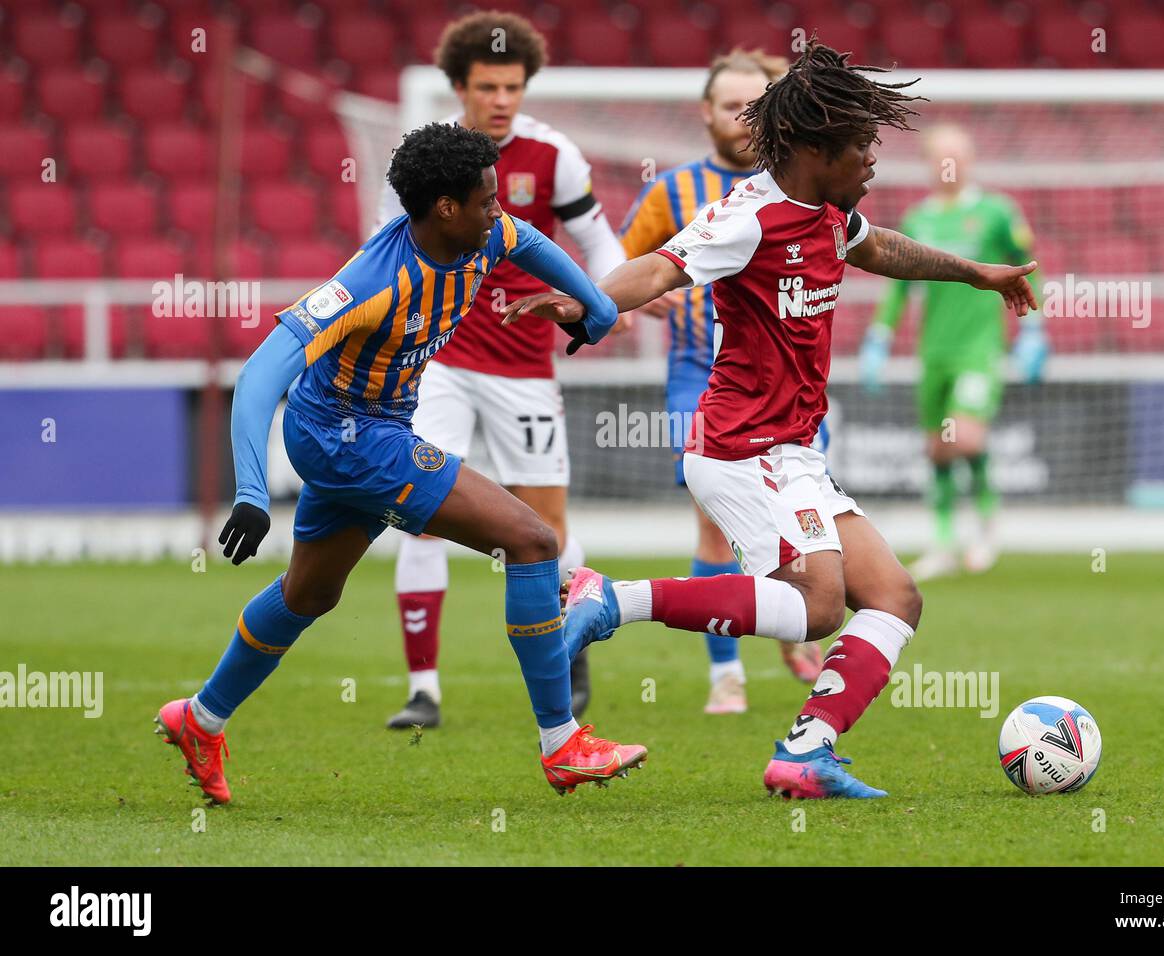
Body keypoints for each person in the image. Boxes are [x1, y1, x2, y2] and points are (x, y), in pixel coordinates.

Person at [504, 42, 1038, 799]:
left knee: (894, 596)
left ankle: (806, 752)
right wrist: (589, 304)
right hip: (737, 446)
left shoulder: (829, 213)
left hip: (791, 451)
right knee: (819, 609)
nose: (873, 164)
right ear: (817, 150)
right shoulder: (748, 216)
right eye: (862, 149)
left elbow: (879, 246)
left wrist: (975, 271)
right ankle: (610, 599)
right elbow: (660, 266)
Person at [154, 123, 645, 804]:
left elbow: (533, 245)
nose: (499, 212)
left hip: (373, 429)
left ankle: (199, 719)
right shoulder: (370, 281)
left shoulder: (485, 235)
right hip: (346, 438)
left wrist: (594, 308)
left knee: (311, 594)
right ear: (446, 207)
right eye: (488, 200)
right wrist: (251, 491)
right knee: (532, 540)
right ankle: (562, 744)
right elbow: (262, 374)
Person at [374, 12, 627, 729]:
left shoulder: (555, 156)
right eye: (487, 85)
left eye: (513, 86)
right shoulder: (434, 161)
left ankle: (572, 642)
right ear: (459, 85)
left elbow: (598, 241)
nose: (502, 99)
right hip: (440, 363)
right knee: (418, 514)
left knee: (547, 529)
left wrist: (612, 298)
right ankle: (423, 689)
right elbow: (389, 245)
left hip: (525, 370)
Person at [618, 47, 824, 715]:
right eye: (729, 104)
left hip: (789, 388)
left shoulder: (804, 188)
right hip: (699, 379)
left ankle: (793, 620)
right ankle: (725, 673)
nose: (743, 117)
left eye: (754, 103)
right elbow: (621, 268)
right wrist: (648, 300)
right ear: (705, 113)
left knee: (792, 524)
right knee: (715, 531)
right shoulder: (672, 192)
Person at [859, 123, 1047, 580]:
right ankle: (943, 541)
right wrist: (880, 335)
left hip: (979, 348)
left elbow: (1028, 268)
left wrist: (1034, 329)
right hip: (934, 351)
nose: (951, 166)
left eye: (959, 156)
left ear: (970, 160)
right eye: (943, 156)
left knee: (965, 437)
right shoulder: (918, 219)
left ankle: (986, 527)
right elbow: (900, 288)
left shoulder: (997, 213)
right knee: (938, 449)